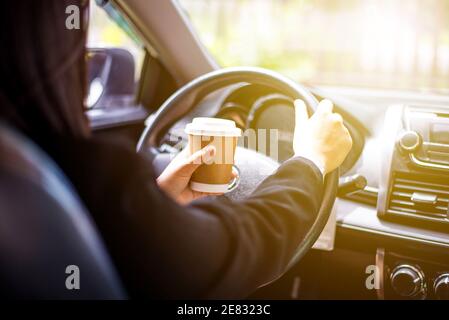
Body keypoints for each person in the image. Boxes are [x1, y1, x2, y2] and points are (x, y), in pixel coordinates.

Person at [0, 0, 352, 298]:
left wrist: (158, 201)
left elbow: (132, 254)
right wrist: (311, 161)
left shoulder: (29, 166)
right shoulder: (78, 171)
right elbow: (231, 254)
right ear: (45, 43)